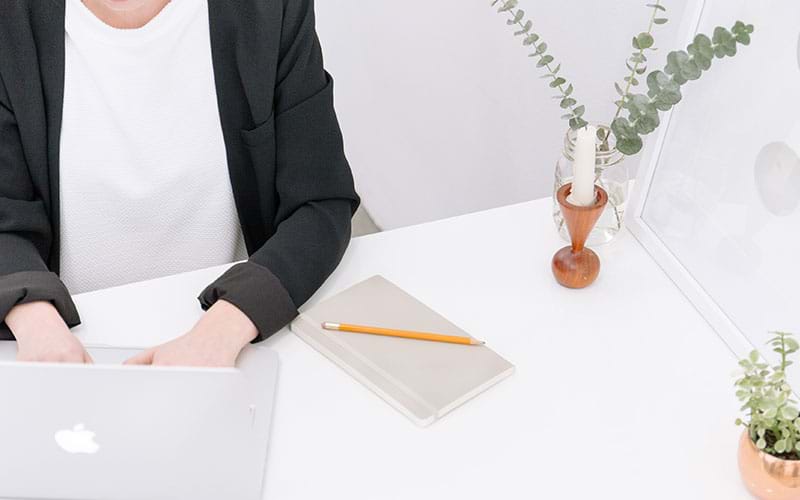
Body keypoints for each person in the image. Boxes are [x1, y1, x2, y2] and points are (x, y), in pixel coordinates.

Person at [0, 0, 359, 367]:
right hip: (63, 340)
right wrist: (35, 318)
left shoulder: (267, 11)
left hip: (226, 333)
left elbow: (320, 201)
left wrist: (224, 328)